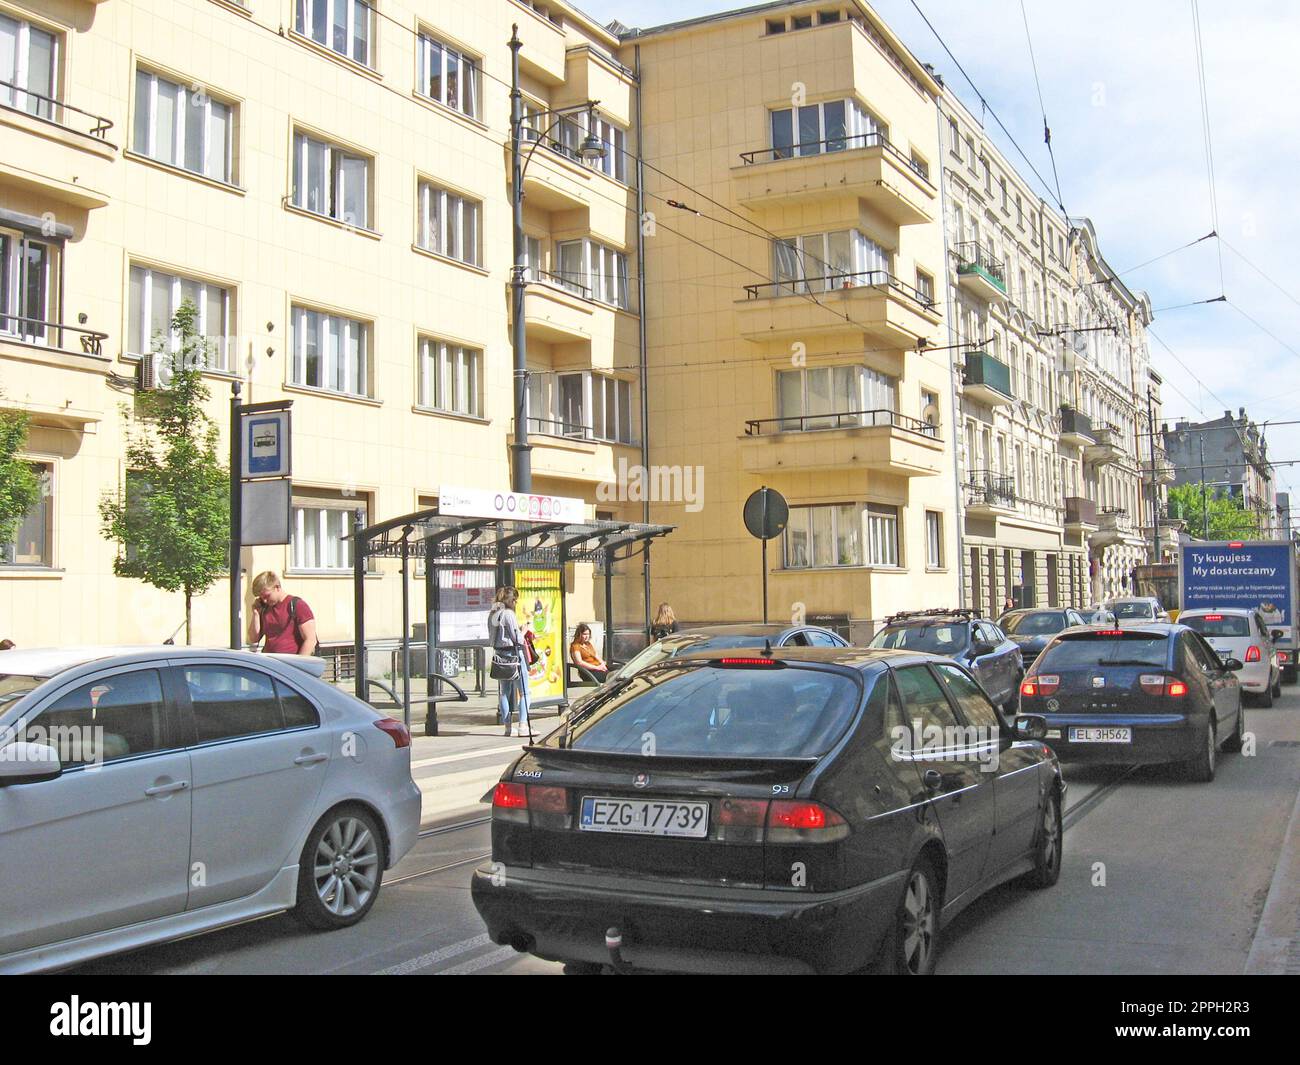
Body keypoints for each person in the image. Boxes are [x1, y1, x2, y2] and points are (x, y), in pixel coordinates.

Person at [488, 586, 530, 737]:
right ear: (511, 599)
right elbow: (517, 638)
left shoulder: (493, 613)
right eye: (515, 600)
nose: (516, 603)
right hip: (514, 655)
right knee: (524, 692)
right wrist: (523, 631)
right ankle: (523, 726)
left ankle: (507, 727)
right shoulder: (508, 614)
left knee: (504, 693)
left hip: (499, 655)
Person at [247, 571, 318, 655]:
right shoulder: (264, 609)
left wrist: (299, 663)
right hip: (269, 662)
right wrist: (256, 614)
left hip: (290, 662)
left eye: (267, 596)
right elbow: (253, 638)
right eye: (261, 598)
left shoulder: (297, 605)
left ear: (277, 587)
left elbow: (310, 639)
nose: (264, 601)